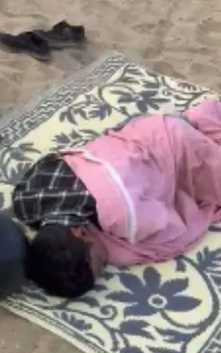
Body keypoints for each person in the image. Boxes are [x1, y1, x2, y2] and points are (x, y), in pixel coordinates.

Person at [12, 99, 221, 298]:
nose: (108, 261)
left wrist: (121, 249)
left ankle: (198, 124)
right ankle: (194, 121)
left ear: (80, 233)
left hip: (177, 144)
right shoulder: (25, 202)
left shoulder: (123, 217)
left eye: (101, 262)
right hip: (139, 130)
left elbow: (175, 229)